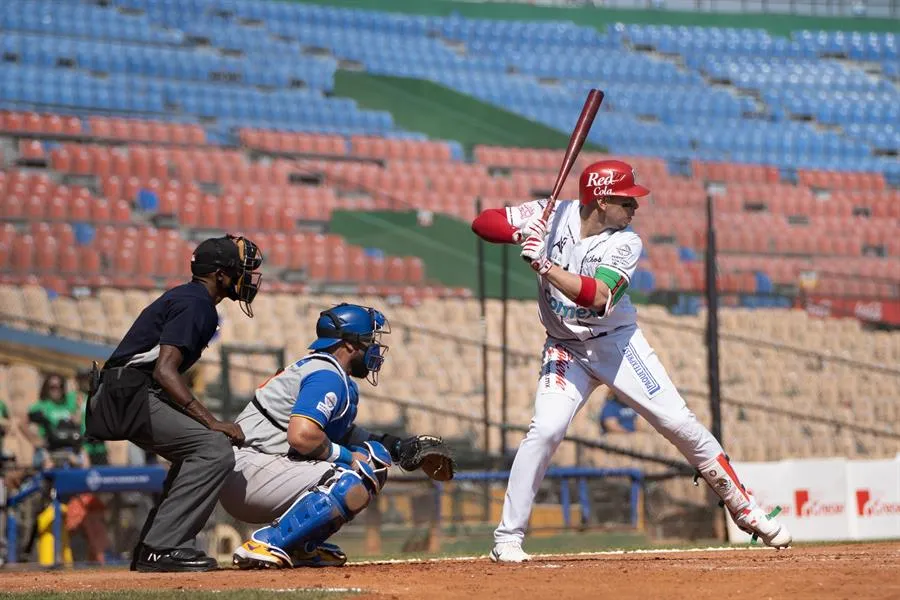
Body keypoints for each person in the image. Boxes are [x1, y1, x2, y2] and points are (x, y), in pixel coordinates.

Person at [471, 160, 792, 563]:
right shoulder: (551, 213)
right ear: (602, 201)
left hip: (617, 345)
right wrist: (520, 231)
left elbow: (598, 296)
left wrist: (545, 265)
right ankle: (507, 538)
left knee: (677, 422)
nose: (634, 210)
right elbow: (483, 222)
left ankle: (745, 509)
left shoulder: (626, 242)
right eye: (627, 202)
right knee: (546, 430)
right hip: (564, 346)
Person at [85, 234, 263, 572]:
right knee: (213, 449)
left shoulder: (191, 298)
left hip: (127, 392)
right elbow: (166, 371)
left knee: (201, 449)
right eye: (239, 269)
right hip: (129, 393)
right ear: (220, 275)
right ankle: (162, 547)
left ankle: (153, 546)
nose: (245, 276)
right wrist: (212, 422)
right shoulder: (197, 303)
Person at [222, 302, 445, 569]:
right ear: (350, 345)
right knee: (351, 476)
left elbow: (346, 435)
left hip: (262, 471)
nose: (374, 349)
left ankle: (302, 545)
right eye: (368, 341)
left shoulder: (330, 372)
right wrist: (349, 458)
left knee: (376, 458)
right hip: (249, 473)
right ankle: (265, 542)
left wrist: (397, 447)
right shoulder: (326, 376)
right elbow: (302, 437)